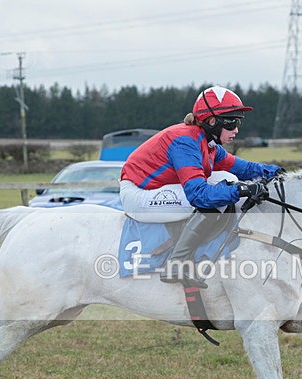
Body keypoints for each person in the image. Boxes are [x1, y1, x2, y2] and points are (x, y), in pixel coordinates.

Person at [120, 86, 282, 288]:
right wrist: (241, 191)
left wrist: (276, 172)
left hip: (159, 187)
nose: (237, 129)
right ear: (212, 121)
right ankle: (176, 264)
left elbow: (245, 168)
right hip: (138, 194)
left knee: (227, 177)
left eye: (239, 122)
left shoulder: (209, 144)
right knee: (220, 193)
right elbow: (198, 194)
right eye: (233, 122)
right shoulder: (185, 141)